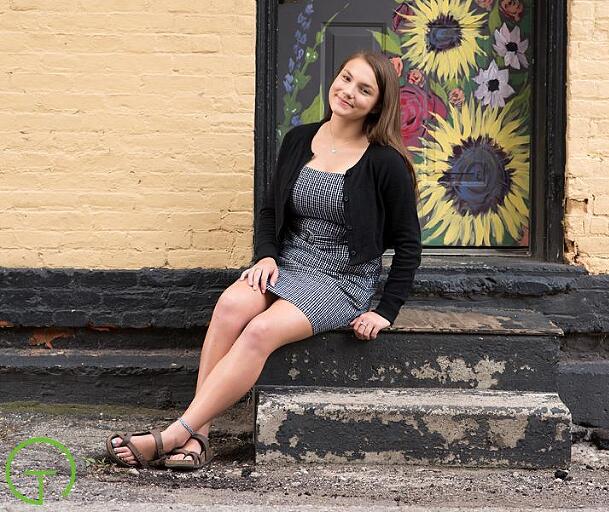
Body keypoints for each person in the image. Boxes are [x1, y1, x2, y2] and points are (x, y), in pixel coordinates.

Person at [105, 49, 422, 470]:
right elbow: (271, 210)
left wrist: (386, 309)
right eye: (346, 78)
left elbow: (409, 243)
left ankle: (176, 435)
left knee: (259, 331)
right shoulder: (298, 139)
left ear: (378, 105)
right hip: (288, 261)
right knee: (231, 305)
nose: (348, 92)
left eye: (364, 90)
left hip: (341, 279)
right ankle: (200, 437)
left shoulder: (385, 163)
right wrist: (267, 255)